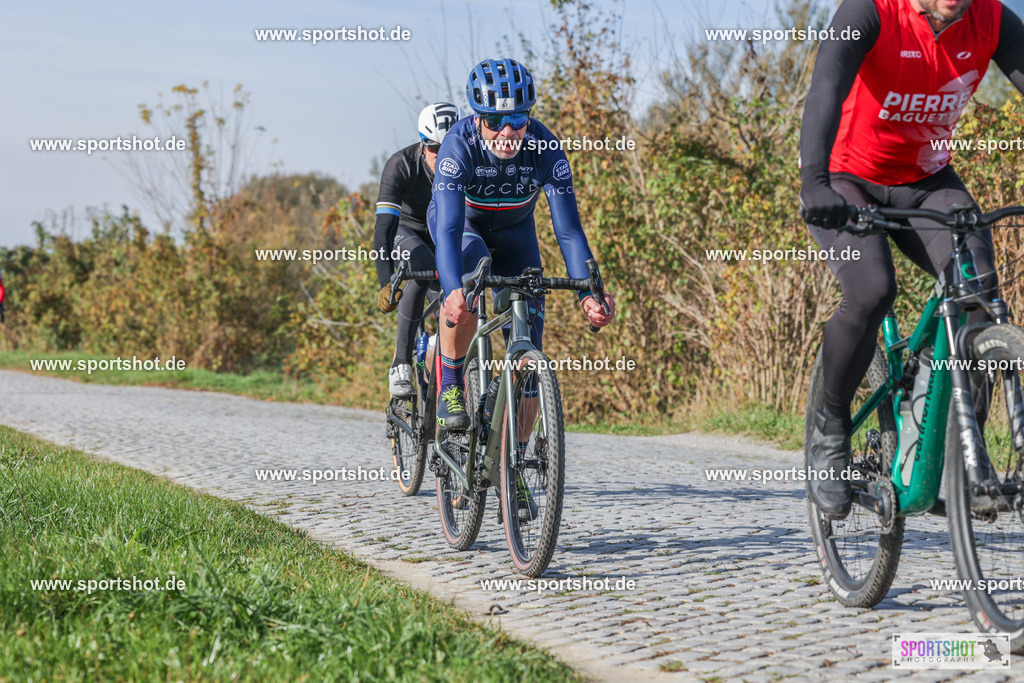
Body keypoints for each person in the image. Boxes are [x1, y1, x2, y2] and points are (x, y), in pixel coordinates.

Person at [800, 0, 1024, 519]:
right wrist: (814, 181)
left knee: (979, 294)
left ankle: (940, 433)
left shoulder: (990, 18)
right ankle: (830, 428)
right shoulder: (871, 11)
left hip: (925, 182)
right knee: (874, 290)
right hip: (845, 178)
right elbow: (826, 91)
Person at [428, 58, 616, 429]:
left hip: (517, 235)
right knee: (467, 288)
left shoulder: (546, 147)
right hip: (464, 228)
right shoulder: (458, 145)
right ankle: (450, 383)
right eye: (495, 122)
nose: (507, 133)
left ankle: (518, 471)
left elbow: (569, 231)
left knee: (531, 354)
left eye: (518, 120)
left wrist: (590, 295)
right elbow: (448, 229)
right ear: (478, 118)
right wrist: (451, 291)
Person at [374, 102, 466, 397]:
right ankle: (400, 362)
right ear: (423, 145)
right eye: (435, 149)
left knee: (459, 292)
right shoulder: (400, 165)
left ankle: (444, 360)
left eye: (449, 148)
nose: (442, 157)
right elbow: (384, 229)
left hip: (444, 233)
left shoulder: (467, 163)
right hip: (409, 232)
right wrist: (386, 280)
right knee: (422, 266)